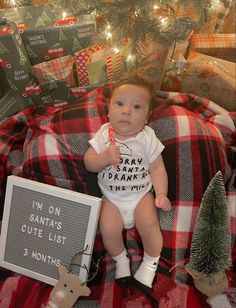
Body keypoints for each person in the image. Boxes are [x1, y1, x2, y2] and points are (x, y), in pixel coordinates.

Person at [84, 75, 171, 292]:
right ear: (109, 110)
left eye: (136, 107)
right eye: (120, 104)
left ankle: (150, 263)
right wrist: (103, 158)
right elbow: (89, 162)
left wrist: (161, 193)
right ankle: (121, 260)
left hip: (140, 196)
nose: (126, 111)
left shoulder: (147, 137)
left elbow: (157, 168)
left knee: (150, 225)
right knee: (108, 228)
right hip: (111, 199)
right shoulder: (104, 134)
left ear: (147, 116)